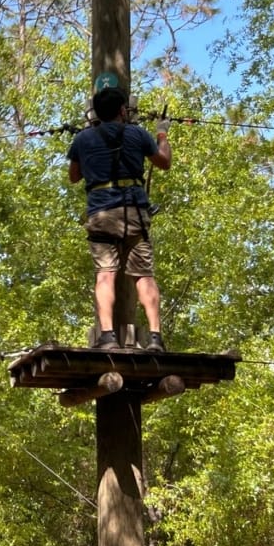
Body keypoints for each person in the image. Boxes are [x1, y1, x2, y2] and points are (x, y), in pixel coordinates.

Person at [66, 87, 172, 351]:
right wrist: (162, 134)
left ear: (96, 113)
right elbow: (164, 162)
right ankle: (155, 338)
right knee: (144, 275)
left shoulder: (83, 139)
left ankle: (108, 337)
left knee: (105, 275)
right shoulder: (137, 134)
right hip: (135, 213)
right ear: (123, 110)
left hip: (102, 214)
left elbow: (74, 176)